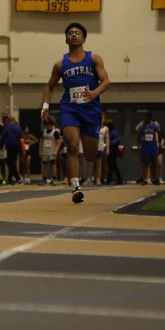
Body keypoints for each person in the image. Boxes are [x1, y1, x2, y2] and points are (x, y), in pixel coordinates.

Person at [41, 22, 111, 204]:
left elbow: (106, 81)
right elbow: (49, 87)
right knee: (71, 146)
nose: (73, 35)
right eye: (70, 33)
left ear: (84, 39)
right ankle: (76, 187)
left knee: (90, 155)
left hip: (91, 109)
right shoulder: (60, 63)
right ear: (66, 39)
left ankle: (85, 172)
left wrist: (94, 93)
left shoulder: (94, 58)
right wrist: (45, 106)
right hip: (69, 108)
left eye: (77, 33)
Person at [40, 118, 61, 185]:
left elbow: (59, 142)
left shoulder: (55, 132)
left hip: (52, 151)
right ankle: (44, 179)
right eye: (47, 125)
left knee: (53, 165)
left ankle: (54, 179)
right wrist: (40, 151)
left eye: (50, 125)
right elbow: (41, 142)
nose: (48, 126)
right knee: (44, 165)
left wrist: (56, 151)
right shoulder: (43, 132)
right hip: (45, 151)